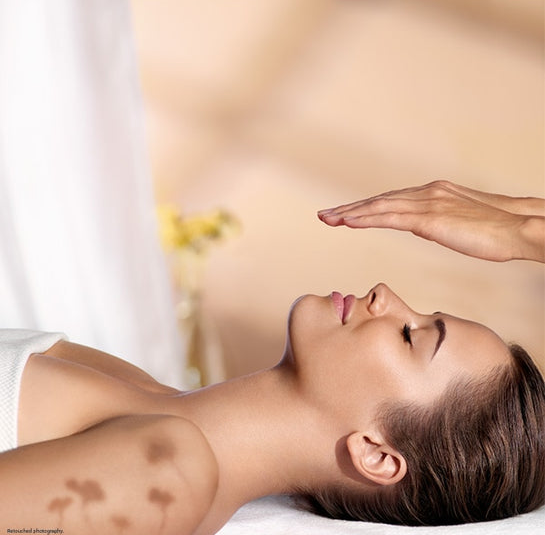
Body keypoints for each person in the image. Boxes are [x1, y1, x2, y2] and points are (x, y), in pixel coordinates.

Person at [0, 181, 543, 535]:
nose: (385, 294)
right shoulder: (141, 393)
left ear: (375, 454)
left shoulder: (168, 475)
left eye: (410, 336)